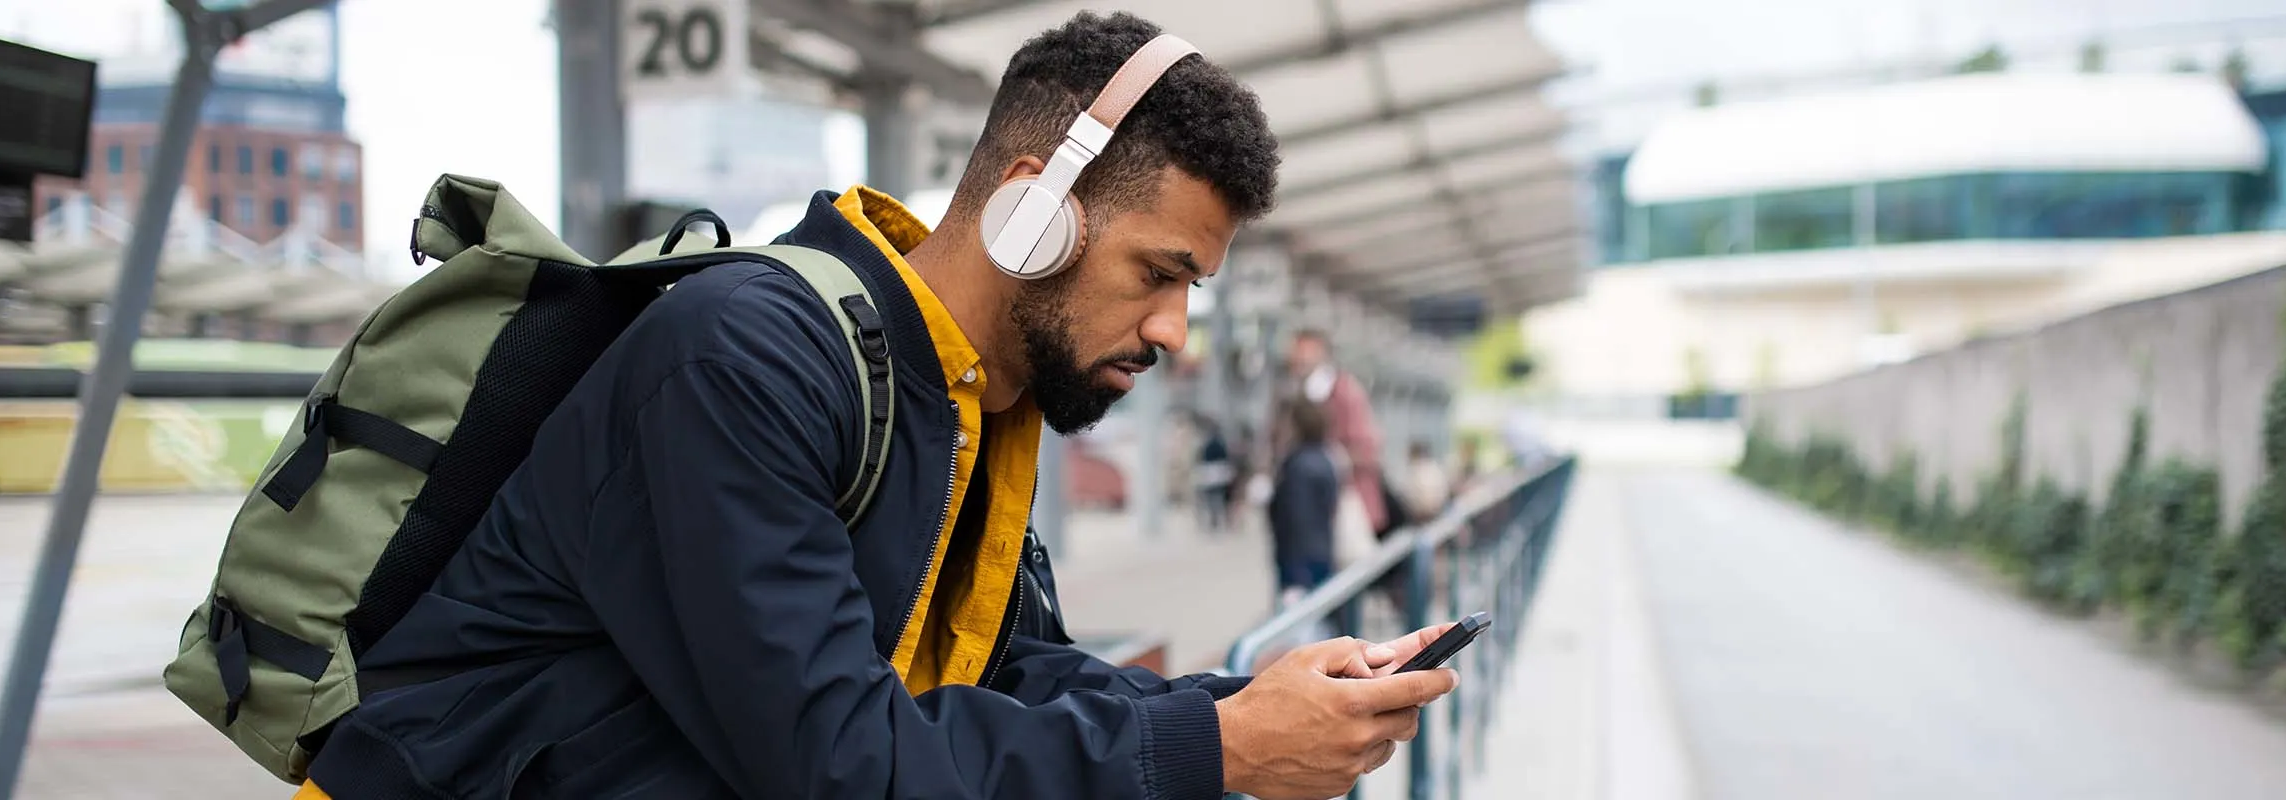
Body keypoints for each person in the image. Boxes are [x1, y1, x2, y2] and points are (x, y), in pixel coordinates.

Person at [295, 12, 1456, 800]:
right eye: (1159, 274)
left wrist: (1247, 704)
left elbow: (1000, 679)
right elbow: (839, 761)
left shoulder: (963, 404)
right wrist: (1221, 748)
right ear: (1029, 211)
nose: (1172, 332)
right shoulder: (742, 363)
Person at [1274, 328, 1389, 533]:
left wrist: (1330, 460)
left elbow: (1369, 448)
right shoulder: (1289, 395)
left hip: (1342, 507)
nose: (1295, 358)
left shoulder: (1344, 393)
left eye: (1303, 351)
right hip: (1304, 511)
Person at [1267, 402, 1340, 602]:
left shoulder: (1298, 465)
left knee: (1300, 618)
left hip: (1299, 559)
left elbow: (1296, 517)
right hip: (1320, 549)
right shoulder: (1325, 458)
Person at [1195, 416, 1235, 532]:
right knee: (1216, 497)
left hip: (1211, 472)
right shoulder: (1219, 442)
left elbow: (1202, 457)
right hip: (1217, 472)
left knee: (1212, 497)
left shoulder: (1209, 443)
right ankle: (1215, 519)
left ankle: (1214, 519)